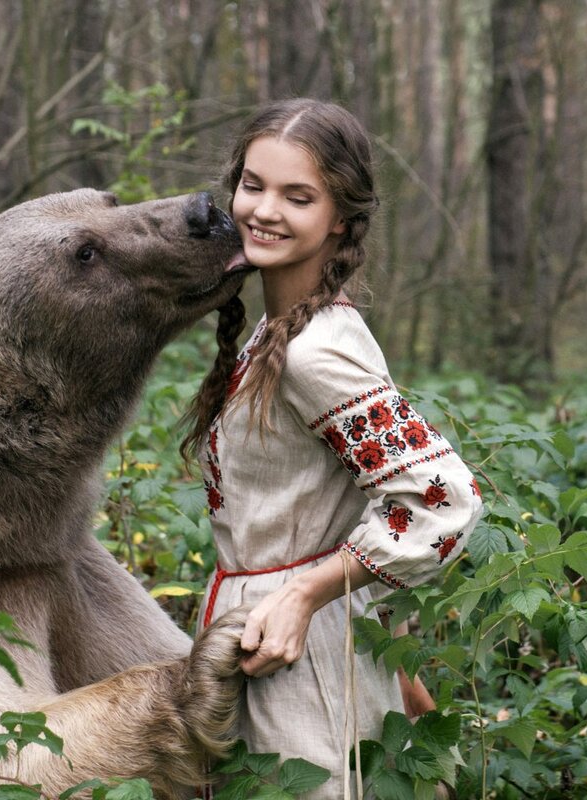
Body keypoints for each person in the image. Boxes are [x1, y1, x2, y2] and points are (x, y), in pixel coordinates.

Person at [184, 98, 484, 797]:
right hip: (262, 639)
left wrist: (306, 595)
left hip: (304, 659)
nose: (263, 210)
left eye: (298, 196)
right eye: (253, 185)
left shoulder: (316, 351)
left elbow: (444, 498)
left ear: (340, 219)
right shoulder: (281, 333)